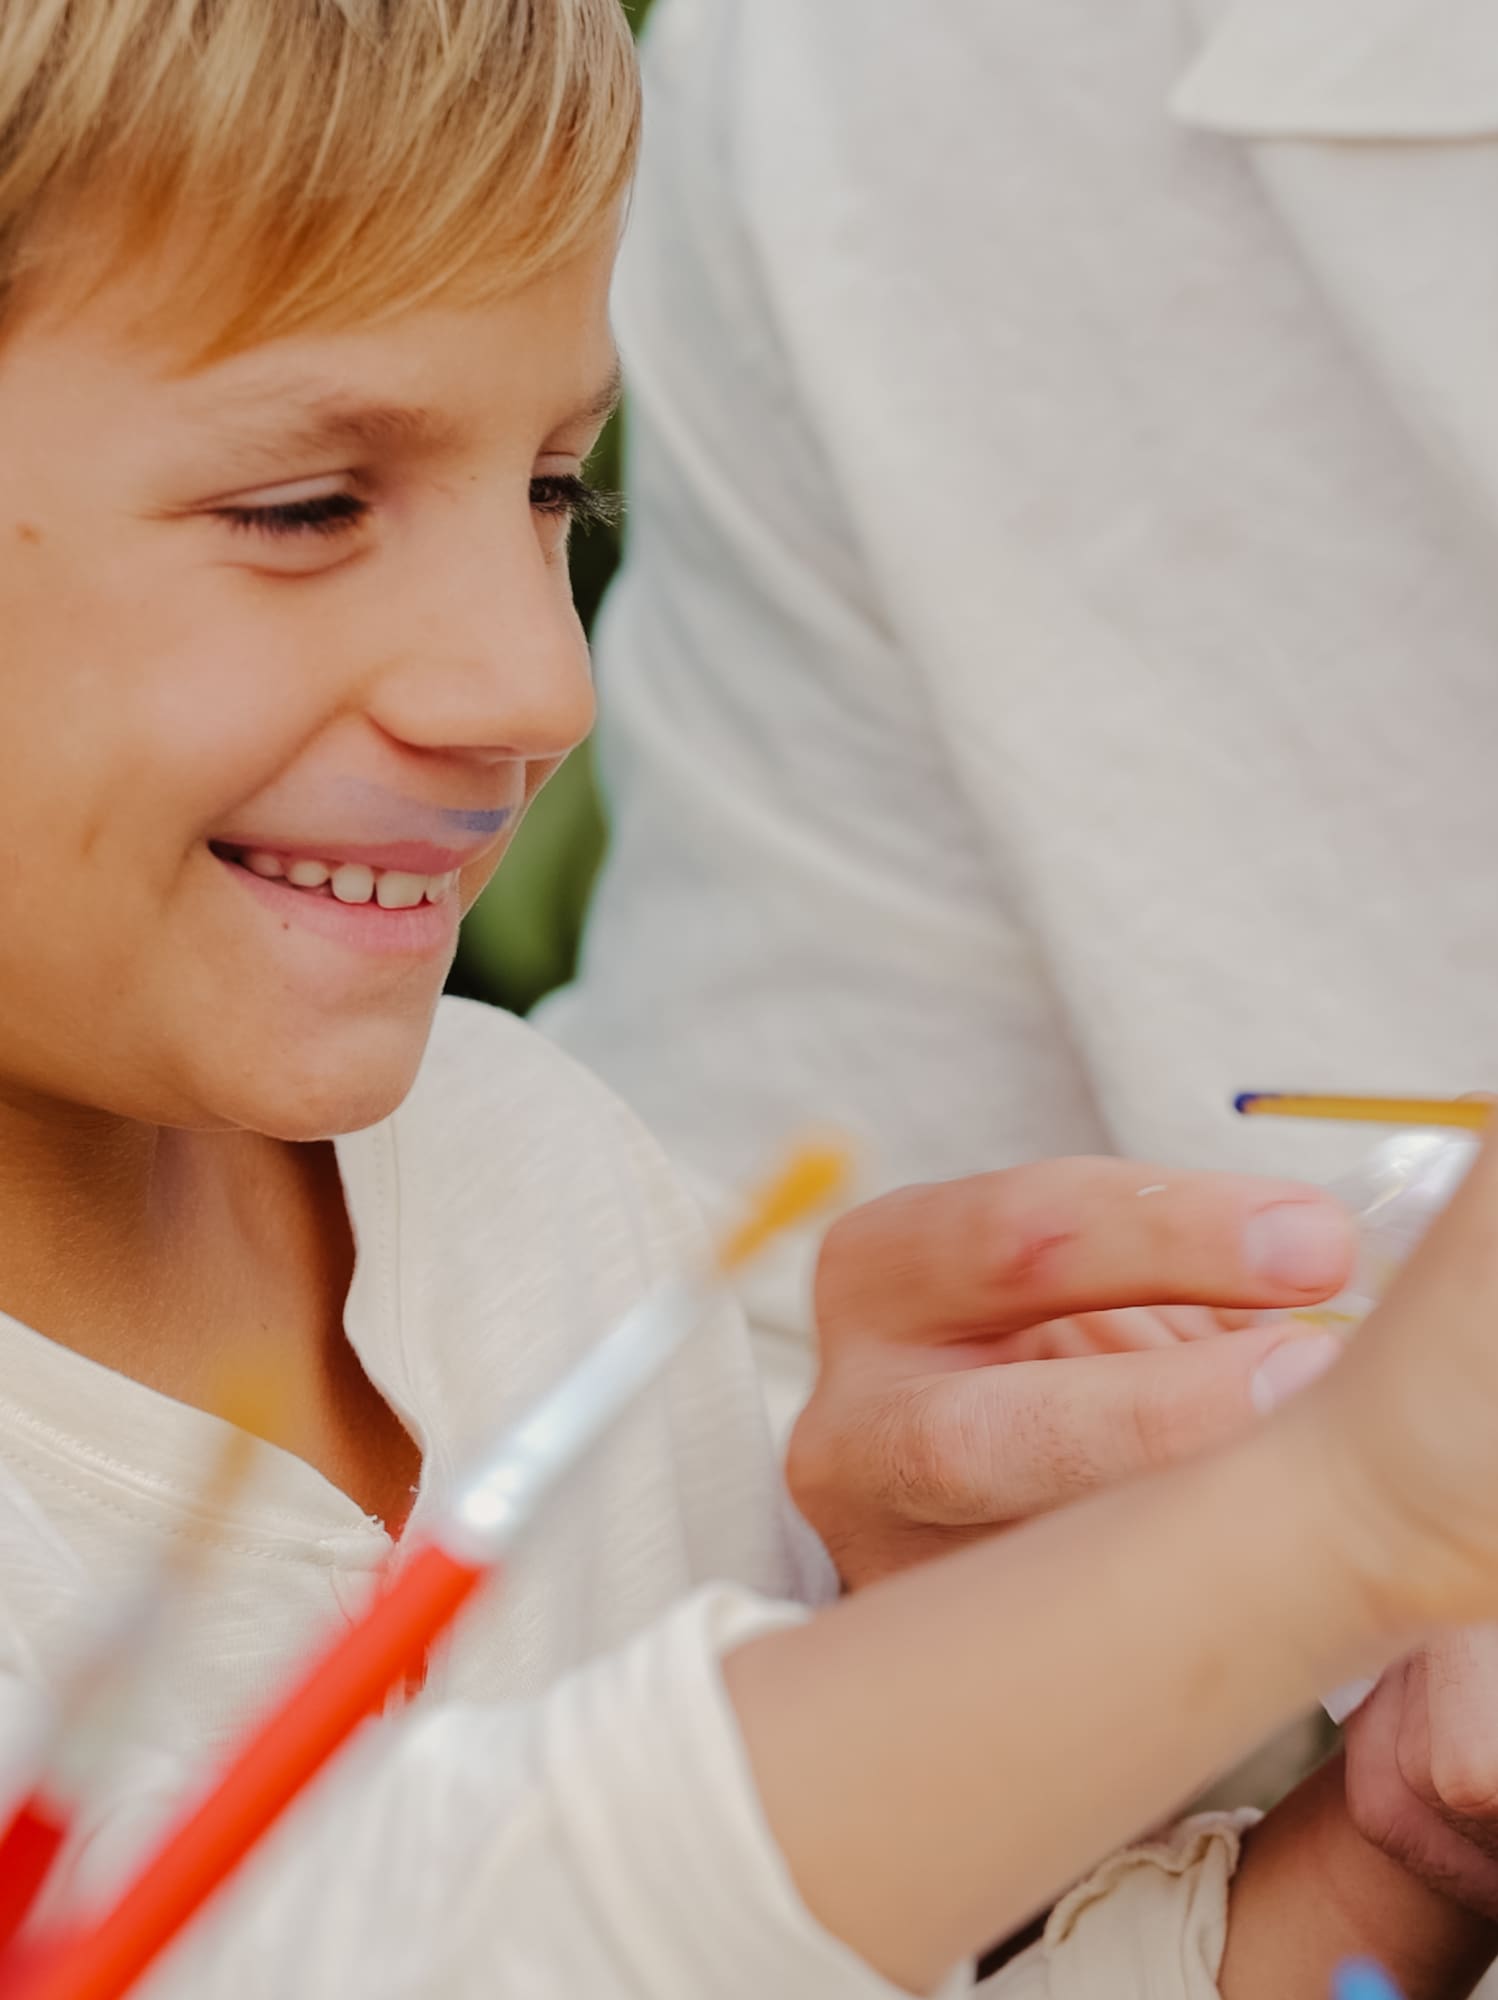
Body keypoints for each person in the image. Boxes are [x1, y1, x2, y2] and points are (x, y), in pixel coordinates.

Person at [9, 4, 1498, 1997]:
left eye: (553, 490)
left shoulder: (532, 1185)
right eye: (307, 509)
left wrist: (1387, 1862)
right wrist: (1332, 1513)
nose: (533, 686)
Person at [542, 0, 1498, 1432]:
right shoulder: (893, 77)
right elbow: (753, 1336)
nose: (524, 697)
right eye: (306, 510)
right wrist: (959, 1603)